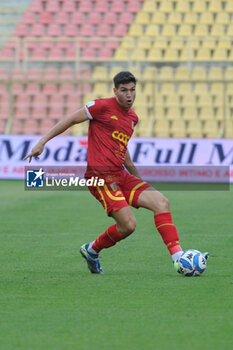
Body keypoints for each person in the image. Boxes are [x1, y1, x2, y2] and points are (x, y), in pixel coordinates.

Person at [24, 71, 207, 275]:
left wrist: (136, 177)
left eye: (132, 90)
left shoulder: (132, 118)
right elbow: (71, 119)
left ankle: (178, 258)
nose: (129, 95)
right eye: (124, 90)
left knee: (161, 202)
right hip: (100, 178)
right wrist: (42, 142)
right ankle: (92, 250)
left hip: (121, 175)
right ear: (115, 91)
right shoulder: (100, 107)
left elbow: (122, 147)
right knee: (128, 226)